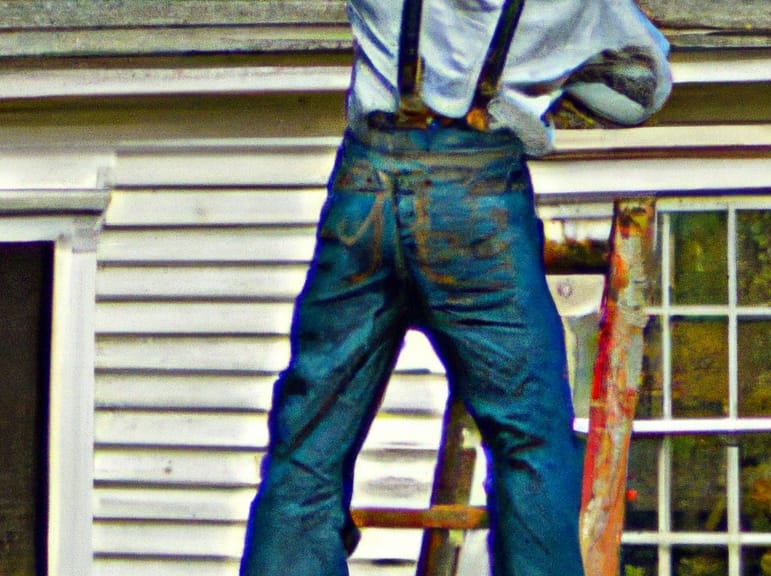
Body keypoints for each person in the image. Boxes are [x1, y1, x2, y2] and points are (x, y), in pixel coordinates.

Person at [239, 0, 671, 574]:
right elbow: (645, 90)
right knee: (531, 440)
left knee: (309, 439)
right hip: (479, 194)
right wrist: (557, 78)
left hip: (366, 183)